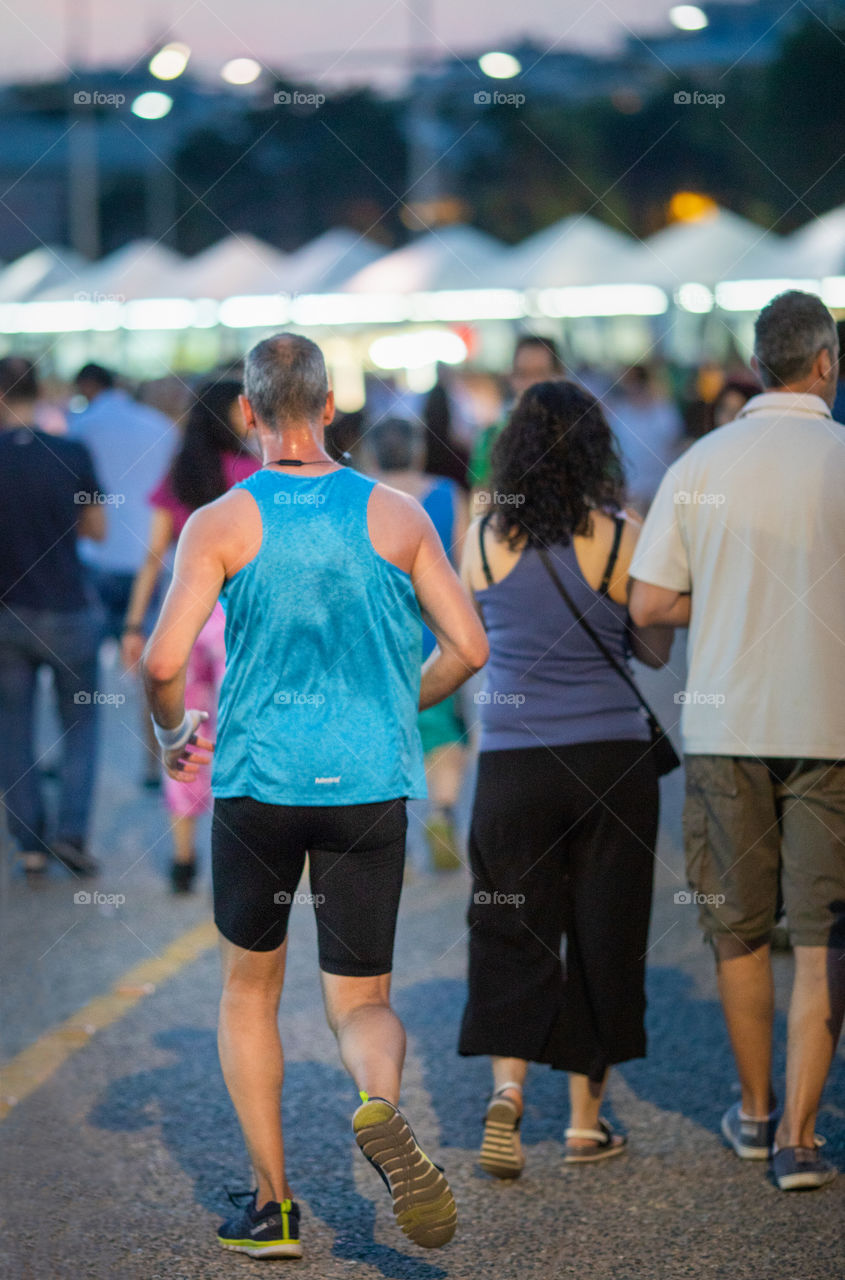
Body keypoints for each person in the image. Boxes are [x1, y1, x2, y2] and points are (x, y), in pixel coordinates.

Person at [141, 334, 488, 1257]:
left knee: (250, 993)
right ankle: (378, 1104)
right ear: (331, 407)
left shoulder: (217, 522)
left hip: (258, 784)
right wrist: (389, 704)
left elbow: (164, 661)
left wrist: (175, 736)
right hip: (368, 785)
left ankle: (275, 1207)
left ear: (247, 413)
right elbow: (469, 649)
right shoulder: (398, 514)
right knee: (360, 997)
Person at [629, 290, 845, 1193]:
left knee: (738, 931)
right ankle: (802, 1137)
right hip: (831, 725)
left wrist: (721, 605)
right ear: (824, 363)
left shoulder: (700, 463)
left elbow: (645, 608)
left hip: (724, 727)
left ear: (757, 365)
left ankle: (754, 1113)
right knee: (823, 934)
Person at [457, 380, 673, 1179]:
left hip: (513, 760)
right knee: (602, 931)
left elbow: (474, 643)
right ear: (594, 448)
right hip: (610, 763)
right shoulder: (624, 536)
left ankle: (506, 1097)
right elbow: (650, 652)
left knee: (510, 923)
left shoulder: (480, 540)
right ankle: (584, 1122)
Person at [122, 379, 257, 892]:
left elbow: (153, 555)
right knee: (238, 735)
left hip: (178, 619)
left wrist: (136, 626)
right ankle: (239, 853)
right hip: (233, 620)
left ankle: (182, 859)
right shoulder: (249, 475)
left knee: (182, 736)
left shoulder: (176, 475)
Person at [0, 357, 106, 877]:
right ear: (38, 393)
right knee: (81, 725)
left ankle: (29, 845)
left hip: (6, 617)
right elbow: (97, 530)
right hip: (69, 610)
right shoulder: (70, 452)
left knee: (12, 729)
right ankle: (70, 833)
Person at [364, 416, 470, 869]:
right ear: (418, 451)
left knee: (383, 732)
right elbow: (465, 568)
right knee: (444, 727)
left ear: (372, 454)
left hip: (375, 636)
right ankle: (443, 810)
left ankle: (392, 834)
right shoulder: (448, 493)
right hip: (434, 633)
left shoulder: (359, 495)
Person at [70, 362, 175, 787]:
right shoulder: (160, 427)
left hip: (95, 557)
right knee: (155, 671)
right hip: (149, 559)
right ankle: (153, 763)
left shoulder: (79, 427)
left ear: (89, 387)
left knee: (80, 674)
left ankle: (77, 763)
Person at [468, 334, 565, 491]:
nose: (532, 383)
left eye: (540, 373)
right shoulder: (491, 436)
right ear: (512, 378)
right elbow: (481, 500)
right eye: (523, 374)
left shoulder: (583, 433)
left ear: (559, 375)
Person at [605, 363, 683, 514]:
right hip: (633, 489)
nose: (632, 388)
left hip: (661, 486)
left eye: (635, 383)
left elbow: (675, 443)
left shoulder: (664, 410)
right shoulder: (619, 413)